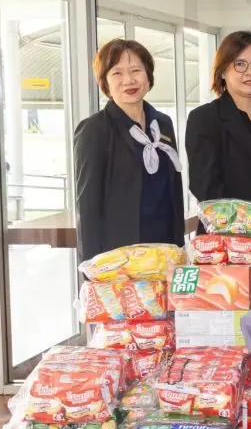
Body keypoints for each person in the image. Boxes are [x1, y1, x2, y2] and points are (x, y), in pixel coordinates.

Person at [74, 39, 184, 263]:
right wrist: (93, 270)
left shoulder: (162, 124)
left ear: (148, 75)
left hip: (164, 246)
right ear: (104, 81)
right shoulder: (95, 130)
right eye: (117, 73)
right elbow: (88, 208)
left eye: (136, 70)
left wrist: (179, 246)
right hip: (120, 254)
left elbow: (173, 187)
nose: (129, 80)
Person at [185, 31, 251, 203]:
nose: (250, 72)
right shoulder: (203, 119)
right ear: (223, 71)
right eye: (240, 64)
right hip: (226, 224)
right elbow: (205, 186)